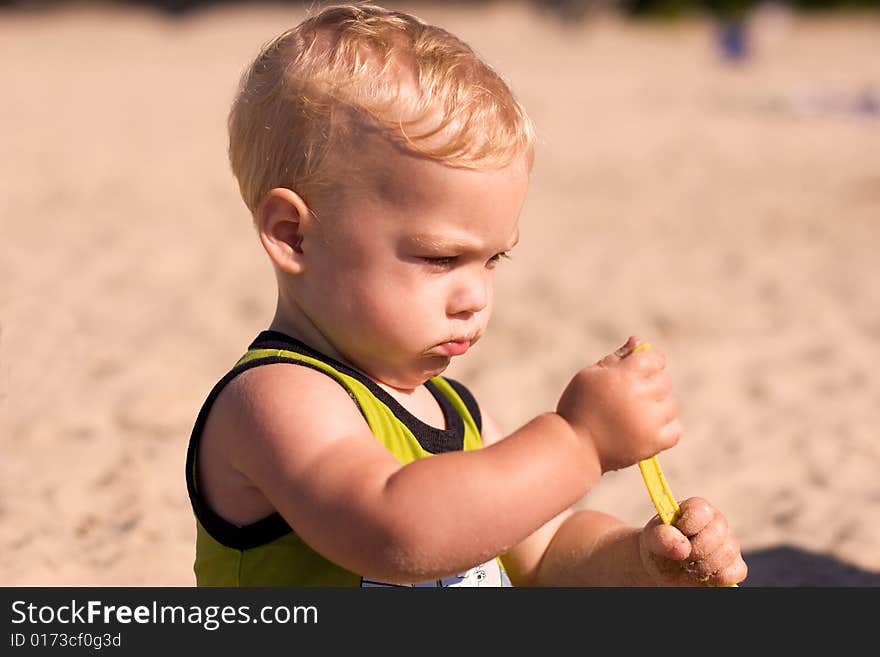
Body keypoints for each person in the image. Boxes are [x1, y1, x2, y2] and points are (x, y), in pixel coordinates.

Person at [185, 2, 748, 587]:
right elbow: (395, 531)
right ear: (294, 235)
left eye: (494, 259)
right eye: (441, 258)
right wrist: (579, 441)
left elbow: (547, 548)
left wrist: (641, 562)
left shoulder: (455, 411)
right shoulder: (275, 400)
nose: (476, 295)